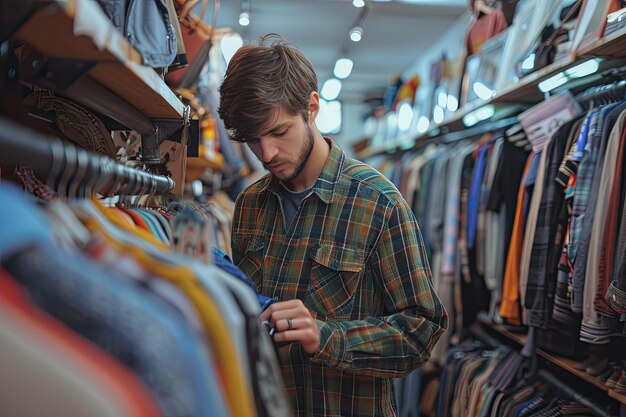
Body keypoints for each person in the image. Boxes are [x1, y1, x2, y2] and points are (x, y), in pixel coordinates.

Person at [218, 33, 447, 417]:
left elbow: (421, 330)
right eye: (253, 141)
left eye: (278, 132)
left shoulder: (378, 202)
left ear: (311, 107)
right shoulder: (248, 205)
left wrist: (328, 337)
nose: (267, 153)